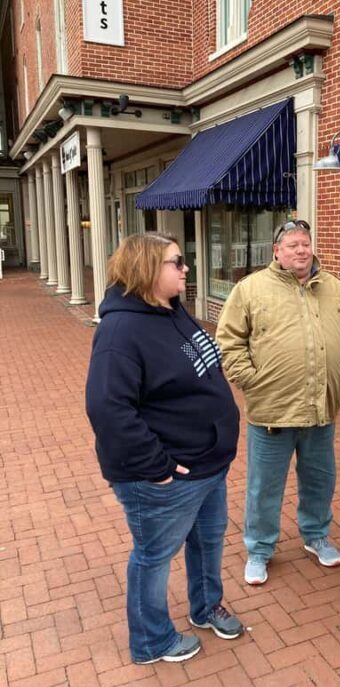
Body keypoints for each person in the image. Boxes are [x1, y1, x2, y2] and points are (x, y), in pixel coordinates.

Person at [86, 232, 243, 665]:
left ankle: (206, 607)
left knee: (208, 541)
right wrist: (157, 467)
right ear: (148, 269)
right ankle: (152, 641)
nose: (186, 268)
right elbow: (108, 408)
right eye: (177, 262)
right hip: (165, 477)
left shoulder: (171, 310)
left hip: (209, 464)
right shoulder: (121, 331)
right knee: (154, 557)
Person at [216, 219, 340, 586]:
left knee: (319, 480)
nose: (301, 250)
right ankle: (259, 549)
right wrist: (252, 382)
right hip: (272, 412)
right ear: (277, 252)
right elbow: (229, 341)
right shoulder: (250, 289)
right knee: (264, 487)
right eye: (292, 244)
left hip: (321, 410)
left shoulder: (336, 289)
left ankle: (316, 535)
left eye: (305, 243)